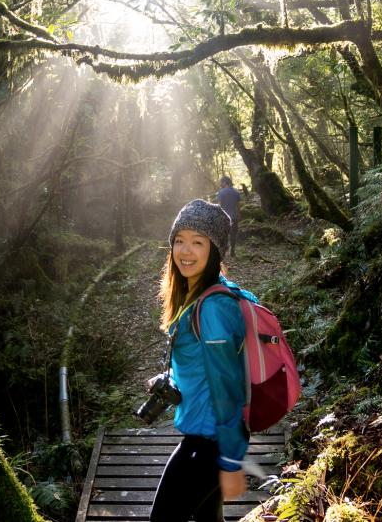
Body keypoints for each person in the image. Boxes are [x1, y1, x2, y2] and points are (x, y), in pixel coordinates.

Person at [149, 199, 258, 522]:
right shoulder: (196, 296)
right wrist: (169, 378)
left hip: (211, 443)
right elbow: (208, 363)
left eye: (198, 242)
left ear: (215, 250)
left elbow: (227, 386)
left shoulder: (212, 307)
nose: (185, 250)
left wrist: (229, 463)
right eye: (179, 240)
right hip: (208, 438)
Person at [216, 176, 241, 258]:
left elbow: (219, 205)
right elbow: (239, 204)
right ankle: (233, 251)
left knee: (224, 235)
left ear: (225, 182)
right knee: (233, 235)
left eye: (221, 182)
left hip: (224, 218)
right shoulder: (236, 192)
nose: (220, 184)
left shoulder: (221, 192)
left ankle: (224, 252)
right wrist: (238, 213)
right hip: (233, 218)